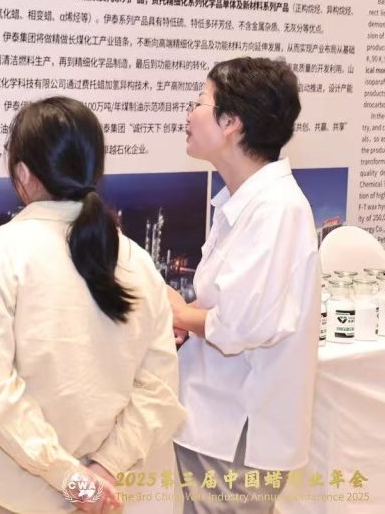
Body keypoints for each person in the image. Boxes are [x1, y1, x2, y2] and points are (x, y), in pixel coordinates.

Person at [0, 97, 184, 514]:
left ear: (22, 174)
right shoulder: (136, 261)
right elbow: (159, 388)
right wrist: (101, 471)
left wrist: (73, 479)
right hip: (100, 493)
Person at [168, 57, 320, 513]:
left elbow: (242, 325)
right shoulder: (244, 201)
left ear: (231, 122)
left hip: (237, 431)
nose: (189, 114)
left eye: (200, 102)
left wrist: (180, 313)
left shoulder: (277, 209)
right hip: (216, 419)